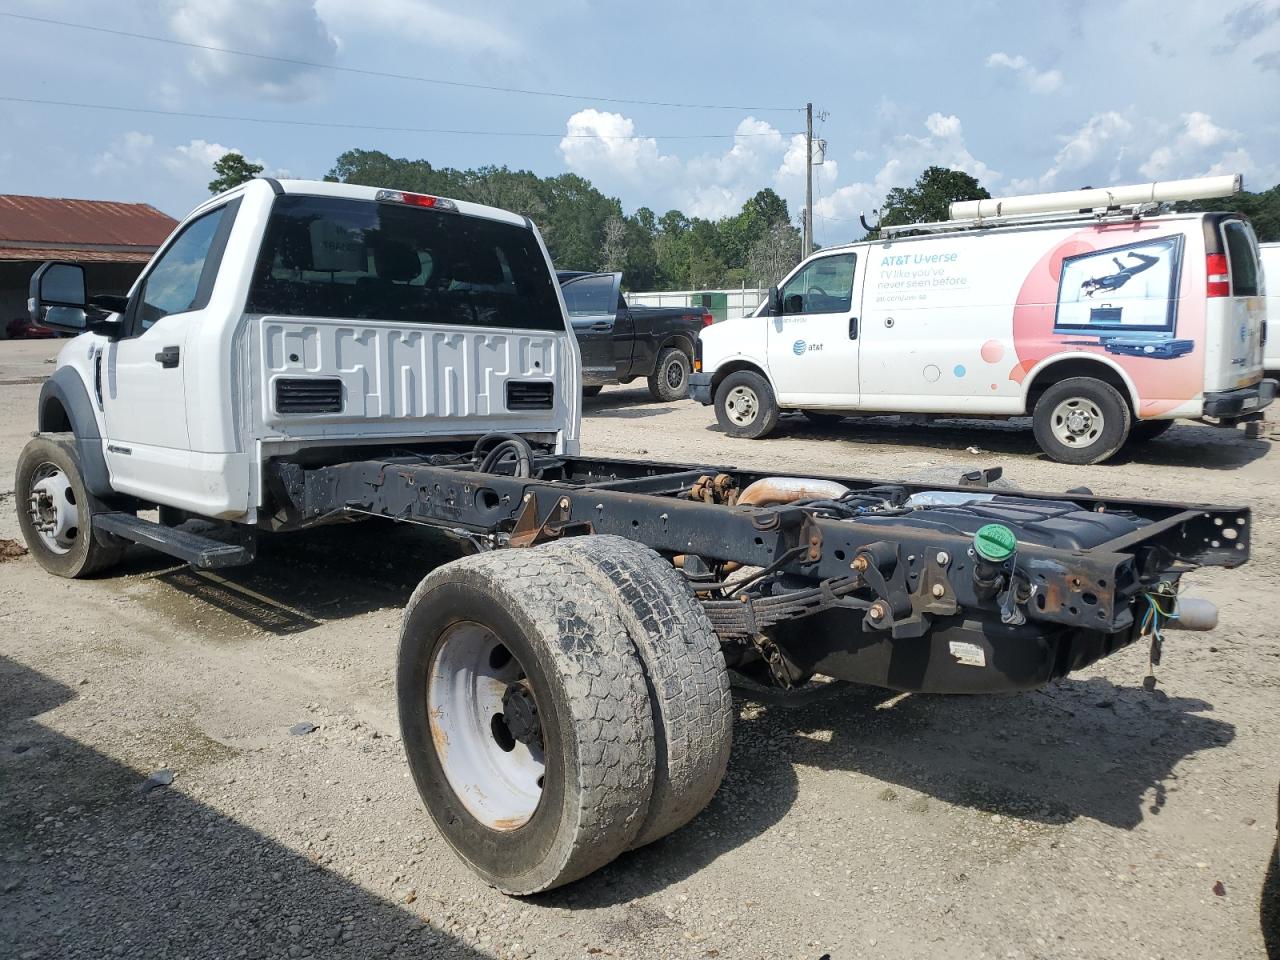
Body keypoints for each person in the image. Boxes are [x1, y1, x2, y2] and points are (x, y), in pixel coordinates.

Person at [1081, 250, 1160, 297]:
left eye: (1086, 288)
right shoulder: (1099, 285)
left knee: (1154, 260)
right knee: (1123, 270)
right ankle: (1117, 261)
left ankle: (1133, 254)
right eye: (1086, 289)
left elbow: (1124, 277)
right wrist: (1115, 286)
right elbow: (1117, 280)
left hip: (1128, 273)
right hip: (1122, 273)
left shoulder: (1104, 282)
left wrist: (1118, 285)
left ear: (1091, 284)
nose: (1086, 290)